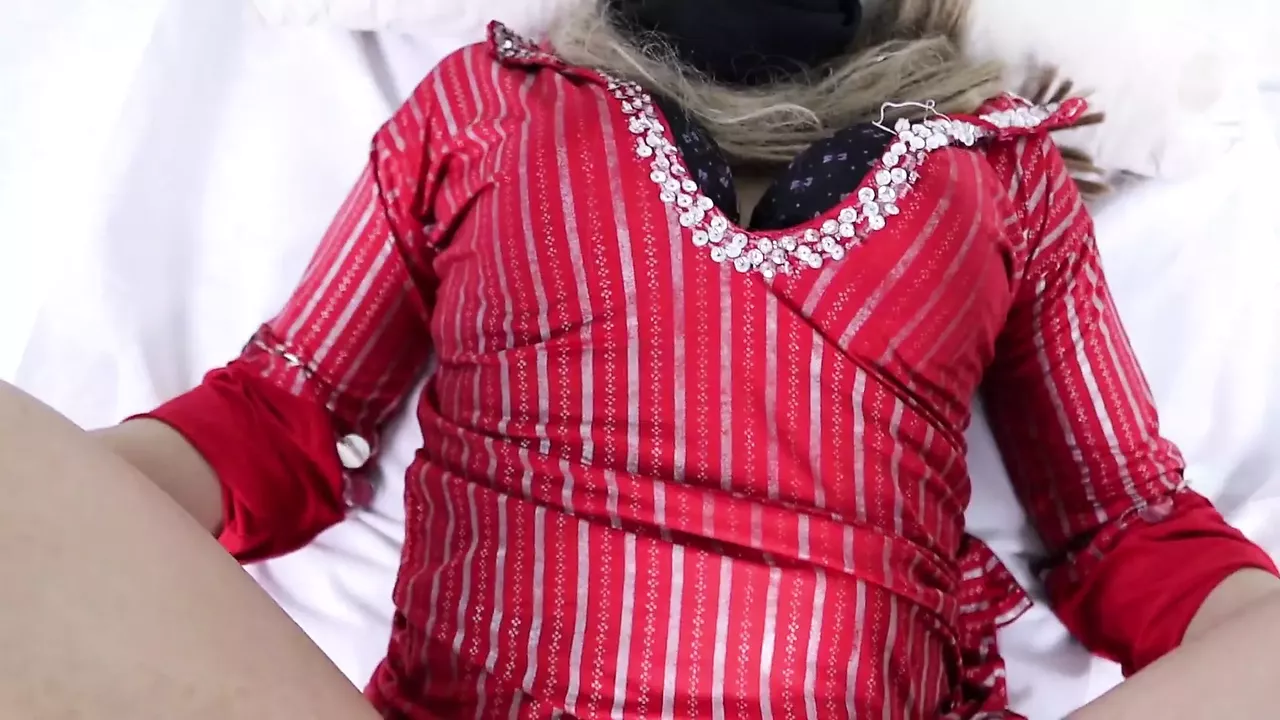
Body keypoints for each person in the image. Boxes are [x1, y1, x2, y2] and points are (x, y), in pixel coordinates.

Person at [4, 0, 1280, 718]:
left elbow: (1123, 527)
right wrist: (71, 515)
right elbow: (283, 413)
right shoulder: (486, 102)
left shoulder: (996, 171)